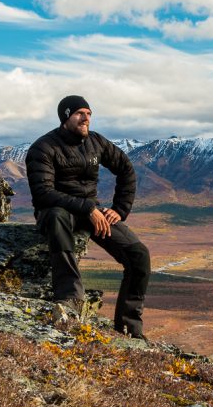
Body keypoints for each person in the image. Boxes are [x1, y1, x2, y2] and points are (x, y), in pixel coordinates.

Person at [25, 95, 150, 339]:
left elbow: (126, 169)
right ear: (65, 117)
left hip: (91, 212)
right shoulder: (43, 147)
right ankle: (70, 296)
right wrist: (87, 208)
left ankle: (129, 326)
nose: (86, 118)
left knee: (139, 255)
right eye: (80, 113)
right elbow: (43, 193)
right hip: (59, 210)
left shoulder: (96, 142)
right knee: (55, 217)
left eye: (89, 114)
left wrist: (120, 209)